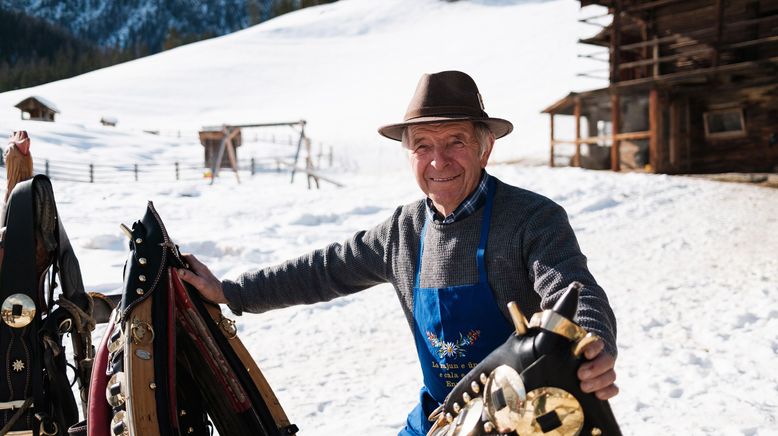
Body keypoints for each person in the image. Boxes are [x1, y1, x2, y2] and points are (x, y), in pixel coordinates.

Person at [179, 71, 618, 435]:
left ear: (485, 147)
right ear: (409, 154)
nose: (438, 160)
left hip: (516, 417)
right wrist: (230, 291)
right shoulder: (402, 232)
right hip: (439, 417)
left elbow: (574, 287)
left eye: (455, 142)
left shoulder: (532, 218)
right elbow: (323, 270)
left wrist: (593, 344)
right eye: (423, 145)